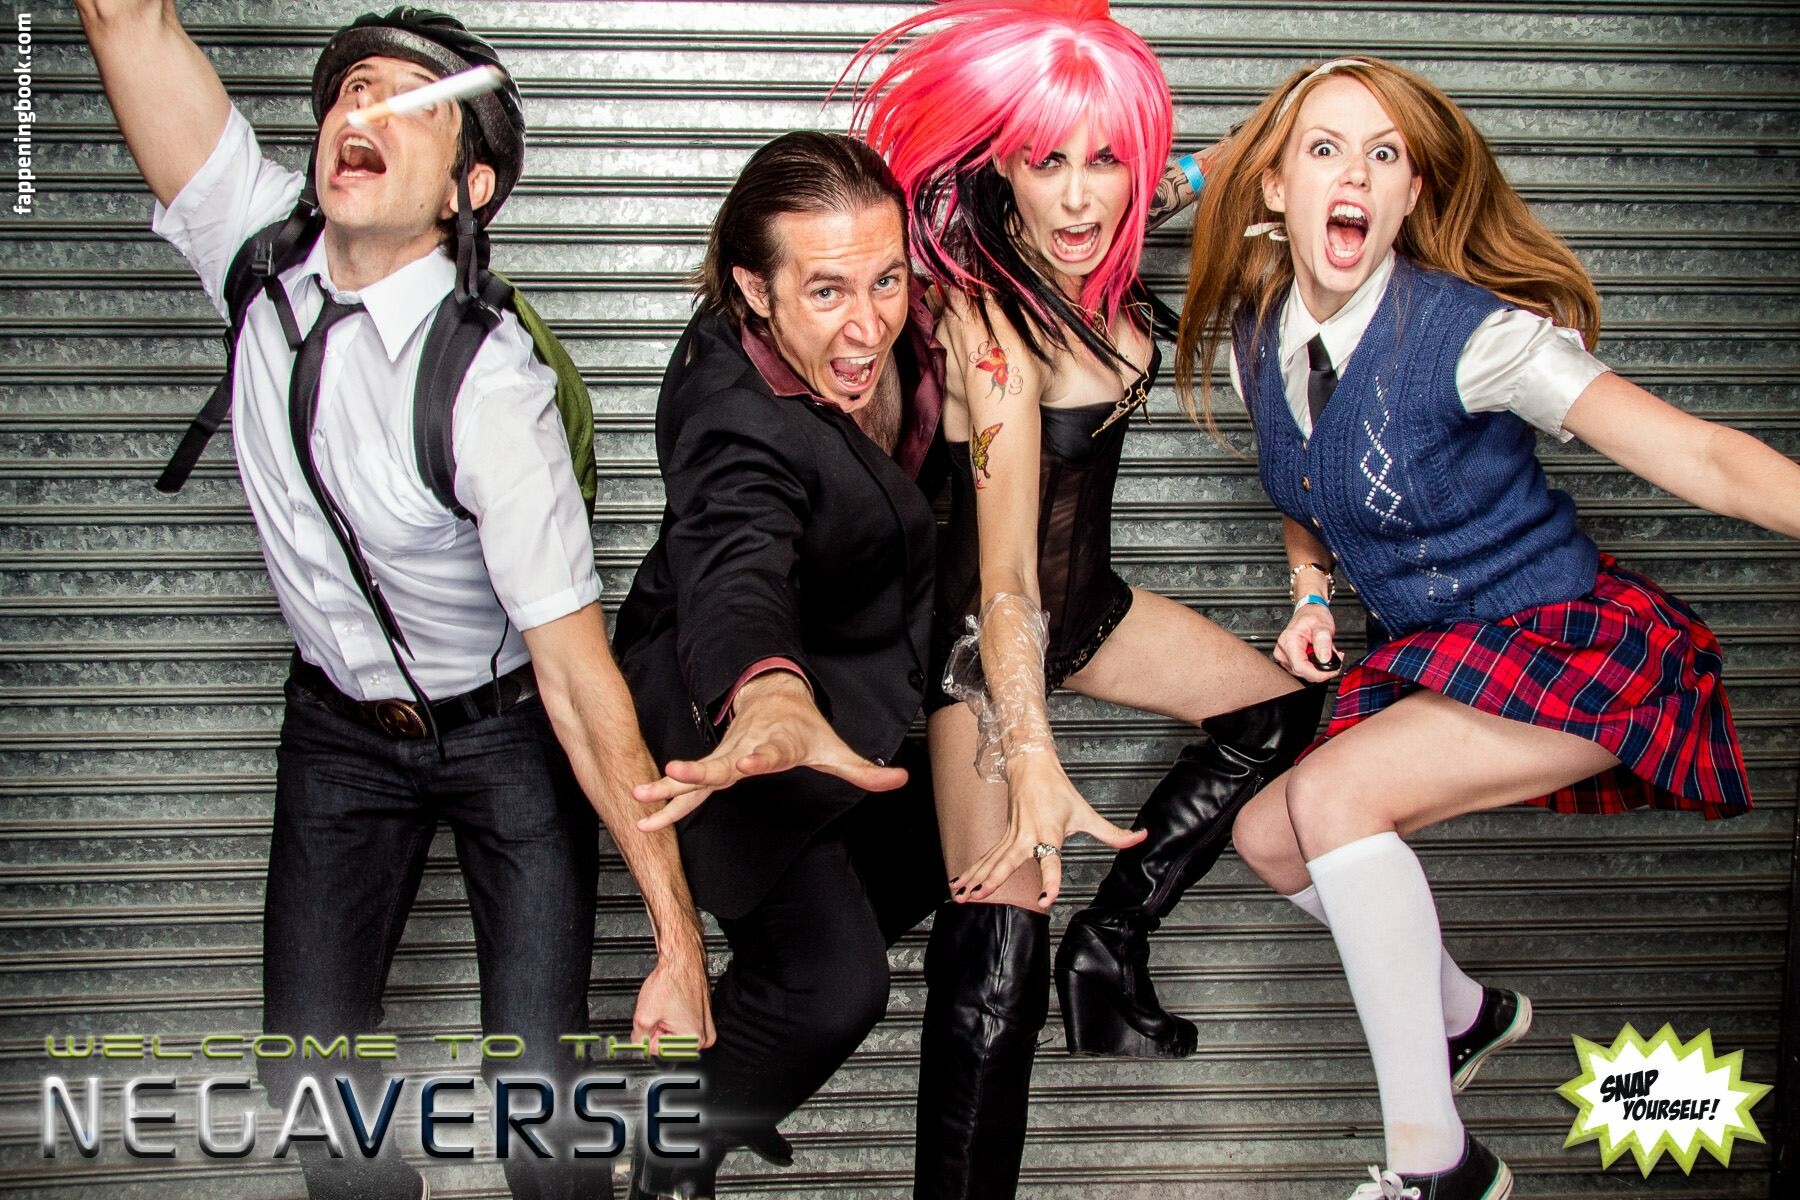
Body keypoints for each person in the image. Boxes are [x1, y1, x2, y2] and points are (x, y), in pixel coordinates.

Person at [76, 5, 711, 1198]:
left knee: (542, 1115)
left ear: (470, 189)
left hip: (508, 732)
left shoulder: (492, 388)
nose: (363, 107)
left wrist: (678, 947)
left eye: (410, 101)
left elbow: (580, 684)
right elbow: (125, 22)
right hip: (340, 736)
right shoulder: (255, 255)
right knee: (314, 1102)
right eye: (352, 88)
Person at [1177, 55, 1798, 1199]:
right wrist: (1310, 594)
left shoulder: (1479, 337)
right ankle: (1462, 1018)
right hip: (1448, 659)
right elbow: (1302, 485)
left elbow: (1705, 456)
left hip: (1577, 649)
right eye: (1324, 149)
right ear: (1274, 188)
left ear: (1412, 194)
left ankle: (1438, 1166)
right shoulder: (1258, 336)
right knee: (1267, 835)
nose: (1353, 175)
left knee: (1332, 800)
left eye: (1383, 155)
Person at [849, 2, 1324, 1193]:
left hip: (1090, 611)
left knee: (1275, 714)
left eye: (1104, 159)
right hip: (981, 653)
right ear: (999, 168)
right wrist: (1030, 744)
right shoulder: (992, 329)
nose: (1076, 196)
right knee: (997, 965)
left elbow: (1213, 162)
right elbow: (1006, 581)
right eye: (1043, 160)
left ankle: (1112, 943)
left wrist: (1309, 126)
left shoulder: (1106, 223)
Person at [613, 131, 951, 1199]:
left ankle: (736, 1069)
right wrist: (766, 689)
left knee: (970, 840)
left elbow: (1051, 219)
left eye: (887, 279)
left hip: (861, 687)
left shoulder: (910, 309)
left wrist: (1217, 168)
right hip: (731, 718)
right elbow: (735, 560)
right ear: (755, 292)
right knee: (832, 989)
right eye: (827, 291)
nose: (869, 323)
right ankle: (674, 1154)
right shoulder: (733, 419)